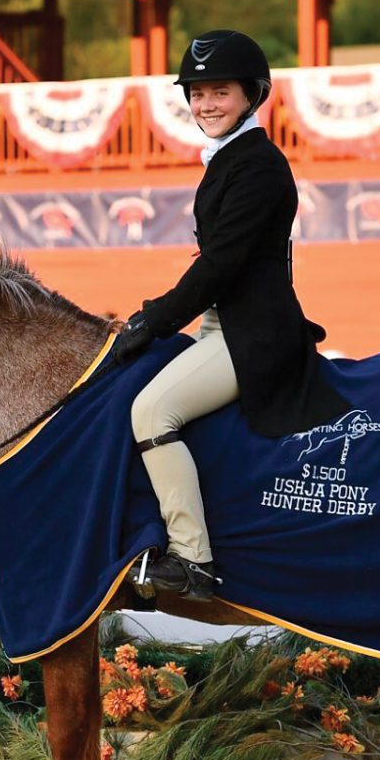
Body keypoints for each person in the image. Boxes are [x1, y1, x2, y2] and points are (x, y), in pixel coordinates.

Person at [110, 30, 348, 601]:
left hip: (252, 335)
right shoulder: (229, 159)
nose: (205, 104)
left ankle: (194, 561)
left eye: (219, 91)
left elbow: (219, 267)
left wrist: (153, 320)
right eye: (196, 93)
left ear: (252, 94)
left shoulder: (257, 166)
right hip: (225, 324)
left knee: (151, 412)